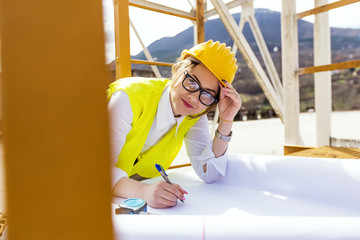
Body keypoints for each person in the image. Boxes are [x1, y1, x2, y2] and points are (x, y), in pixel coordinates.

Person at [108, 39, 242, 209]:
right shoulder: (128, 97)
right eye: (192, 82)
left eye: (207, 94)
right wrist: (143, 191)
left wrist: (226, 120)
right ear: (178, 70)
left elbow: (209, 173)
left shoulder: (193, 115)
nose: (194, 97)